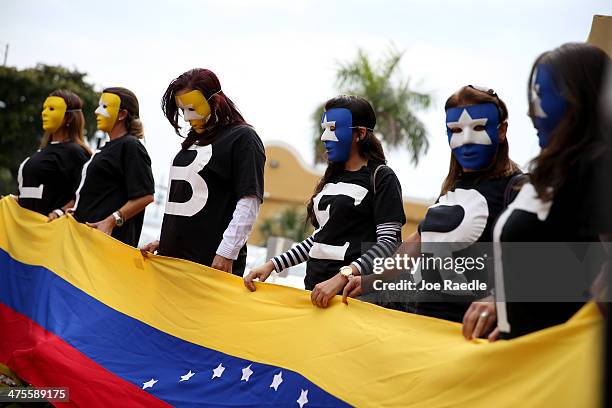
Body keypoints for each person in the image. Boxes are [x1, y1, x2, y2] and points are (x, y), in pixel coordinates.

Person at [342, 86, 522, 333]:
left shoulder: (518, 189)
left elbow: (546, 260)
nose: (466, 139)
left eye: (478, 127)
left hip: (475, 333)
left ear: (501, 130)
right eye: (456, 130)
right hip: (426, 325)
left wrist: (499, 300)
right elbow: (417, 242)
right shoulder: (450, 191)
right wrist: (370, 280)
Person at [491, 43, 611, 339]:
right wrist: (500, 305)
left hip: (560, 371)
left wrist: (567, 341)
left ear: (579, 97)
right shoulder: (554, 173)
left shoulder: (597, 167)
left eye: (542, 95)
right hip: (522, 355)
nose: (532, 112)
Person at [244, 95, 406, 308]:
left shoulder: (382, 177)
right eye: (324, 128)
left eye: (332, 128)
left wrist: (341, 278)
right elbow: (319, 240)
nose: (324, 137)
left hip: (353, 301)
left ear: (360, 134)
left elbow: (389, 244)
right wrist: (273, 265)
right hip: (315, 294)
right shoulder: (330, 179)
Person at [141, 69, 265, 277]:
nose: (188, 117)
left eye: (192, 108)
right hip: (171, 263)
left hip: (208, 267)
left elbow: (249, 201)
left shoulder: (243, 137)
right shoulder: (193, 142)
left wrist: (227, 253)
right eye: (182, 110)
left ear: (215, 100)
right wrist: (165, 241)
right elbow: (192, 205)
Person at [72, 87, 155, 247]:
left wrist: (111, 221)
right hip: (85, 243)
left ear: (122, 114)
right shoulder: (106, 148)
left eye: (104, 106)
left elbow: (146, 196)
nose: (97, 111)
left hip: (106, 247)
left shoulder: (131, 146)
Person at [15, 89, 91, 220]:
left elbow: (85, 193)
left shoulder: (75, 152)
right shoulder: (41, 152)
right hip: (25, 230)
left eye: (51, 109)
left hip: (50, 233)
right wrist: (11, 201)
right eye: (44, 108)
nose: (44, 113)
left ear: (69, 117)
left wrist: (60, 212)